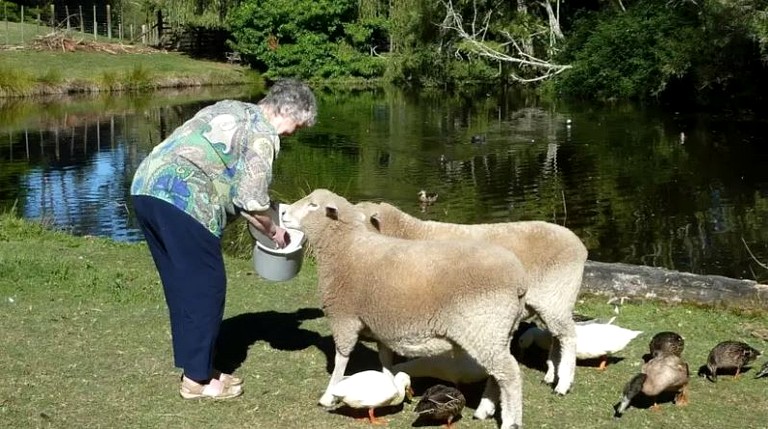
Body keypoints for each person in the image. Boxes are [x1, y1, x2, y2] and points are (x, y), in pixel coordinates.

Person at [130, 79, 317, 399]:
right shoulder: (264, 135)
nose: (292, 133)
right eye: (296, 126)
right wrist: (275, 231)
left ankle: (195, 366)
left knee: (182, 285)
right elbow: (248, 199)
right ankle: (197, 382)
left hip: (146, 187)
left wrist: (266, 208)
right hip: (186, 200)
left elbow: (226, 170)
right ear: (286, 110)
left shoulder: (230, 108)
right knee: (208, 286)